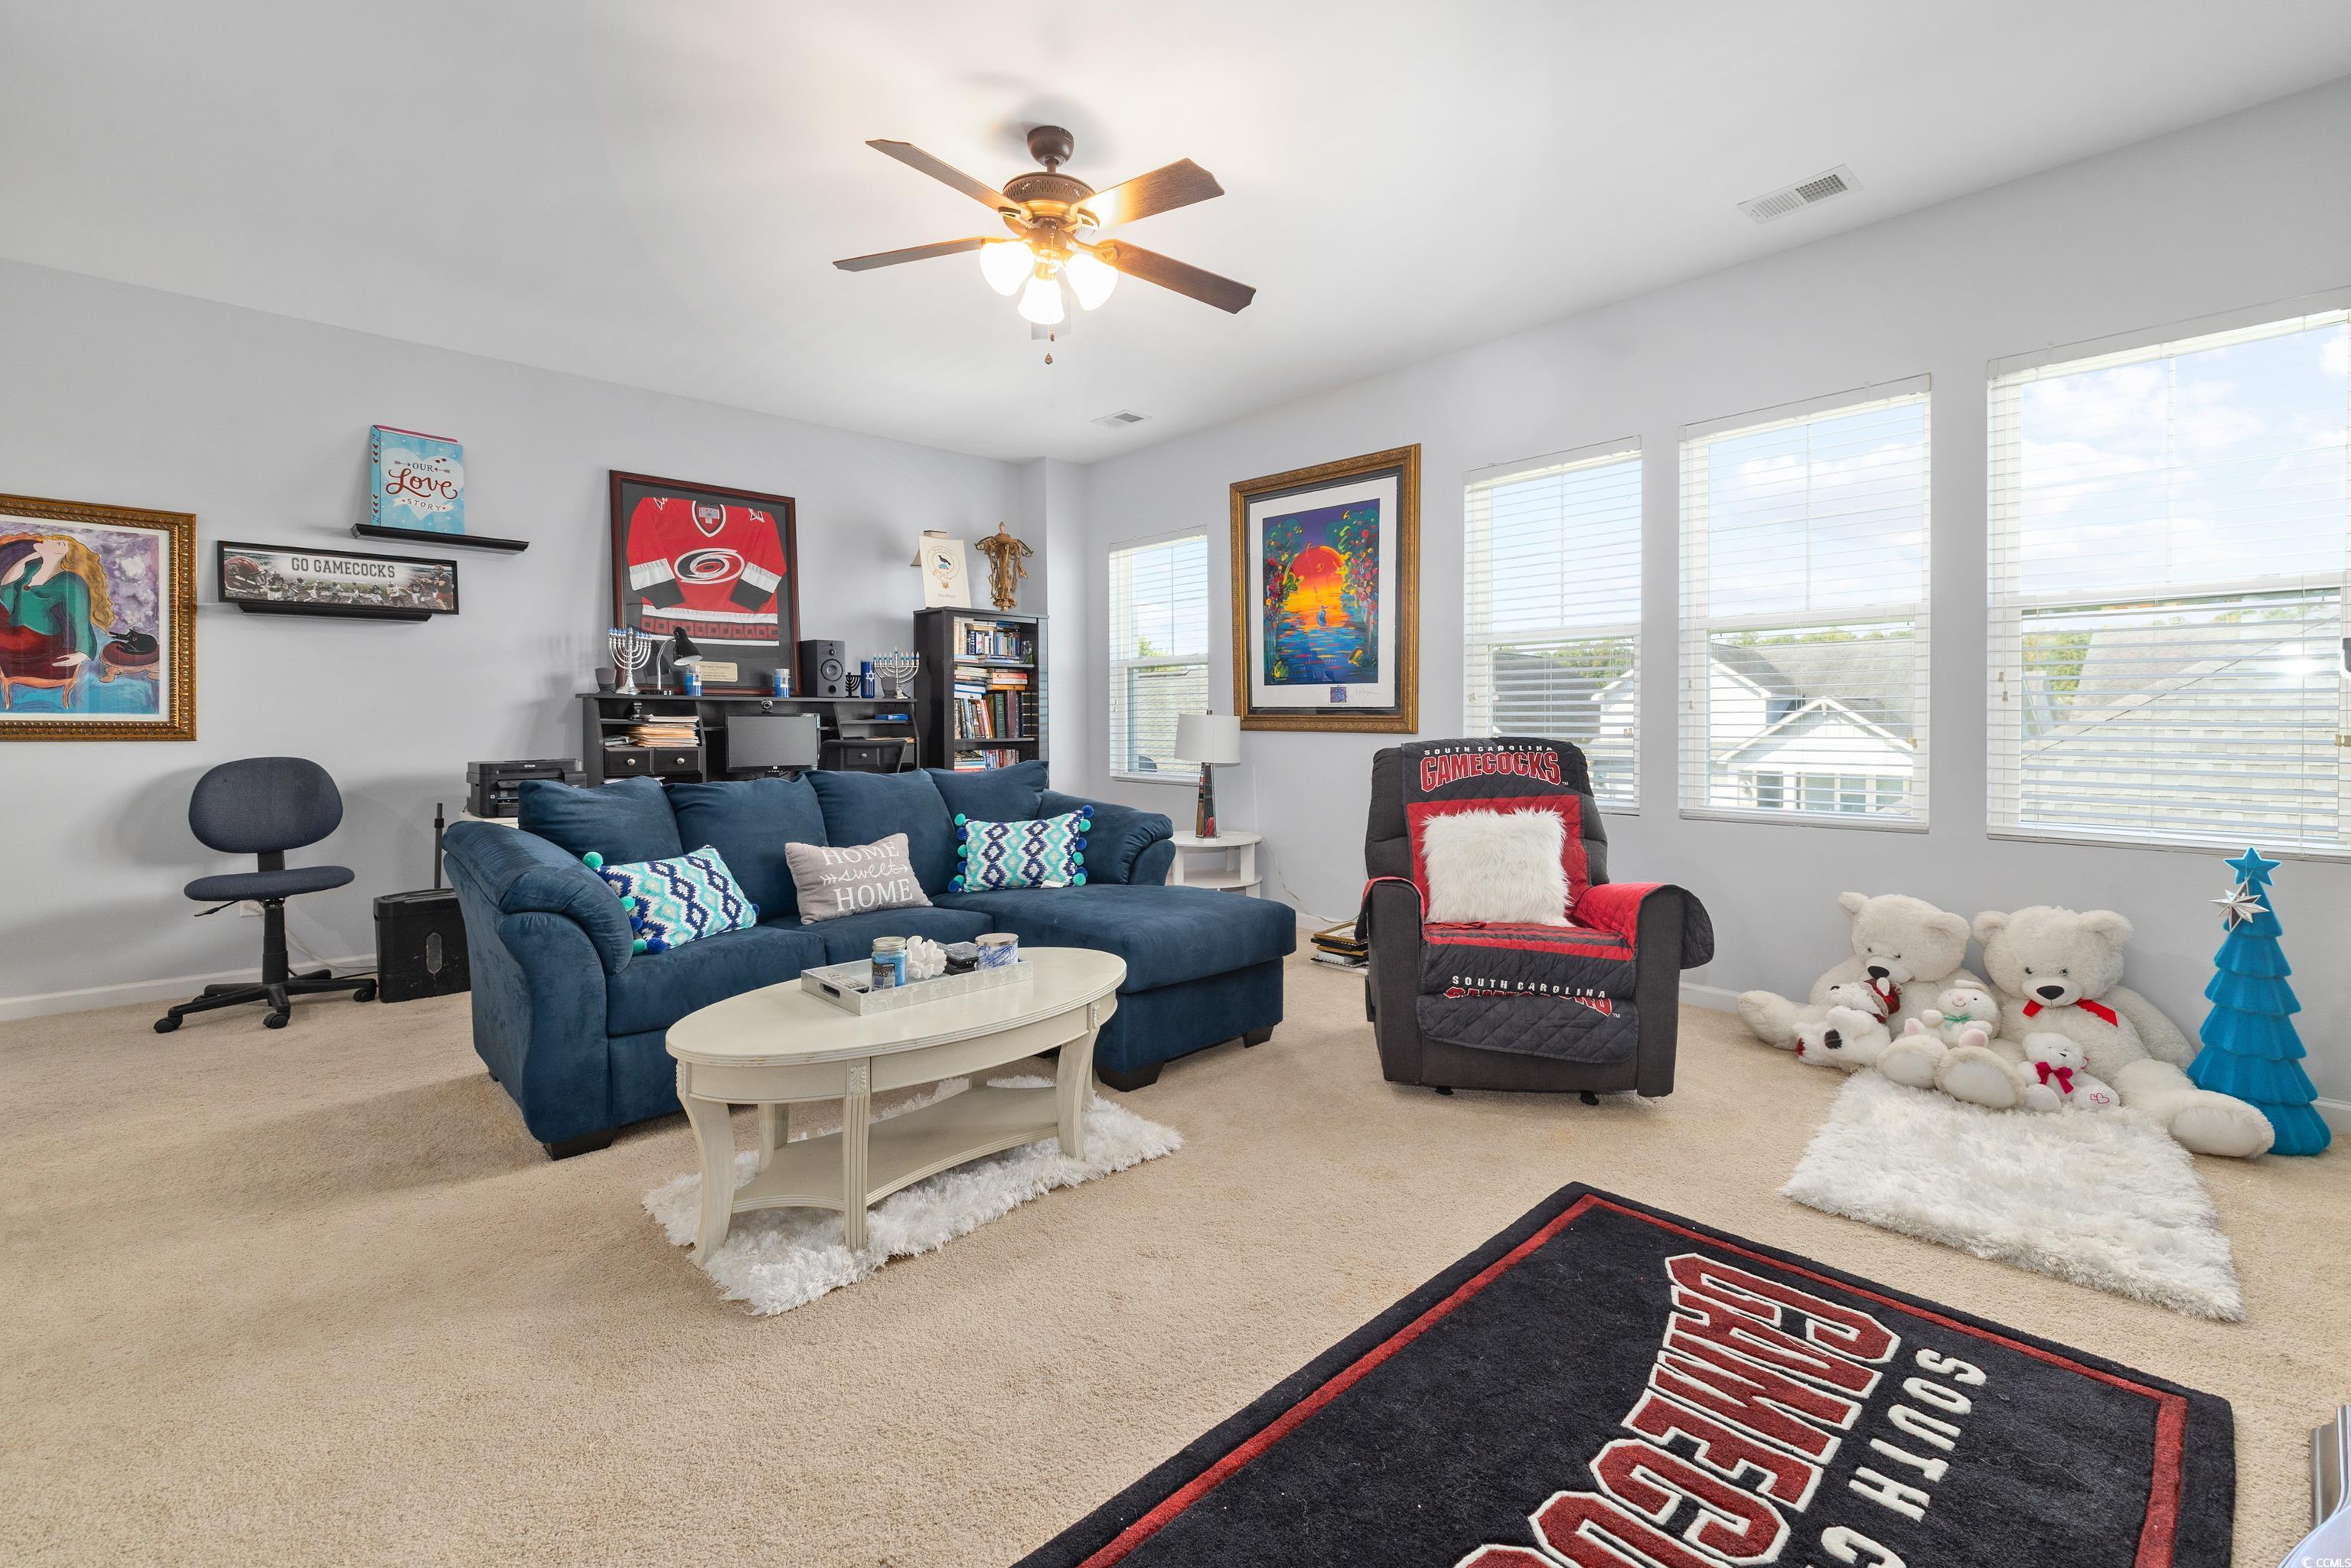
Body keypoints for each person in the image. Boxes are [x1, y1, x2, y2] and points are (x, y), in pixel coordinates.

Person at [0, 533, 112, 707]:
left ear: (66, 554)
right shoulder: (32, 569)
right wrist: (31, 557)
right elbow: (6, 588)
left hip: (38, 639)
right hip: (15, 627)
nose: (48, 540)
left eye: (58, 543)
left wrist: (82, 653)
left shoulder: (71, 581)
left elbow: (80, 618)